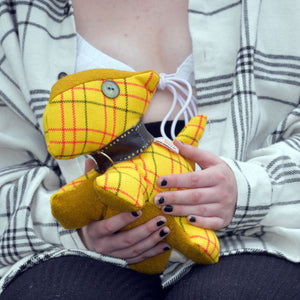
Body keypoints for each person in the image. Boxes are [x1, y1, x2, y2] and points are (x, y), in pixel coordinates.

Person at [0, 0, 299, 299]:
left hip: (260, 236)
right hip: (71, 254)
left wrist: (247, 190)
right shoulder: (18, 14)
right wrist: (75, 228)